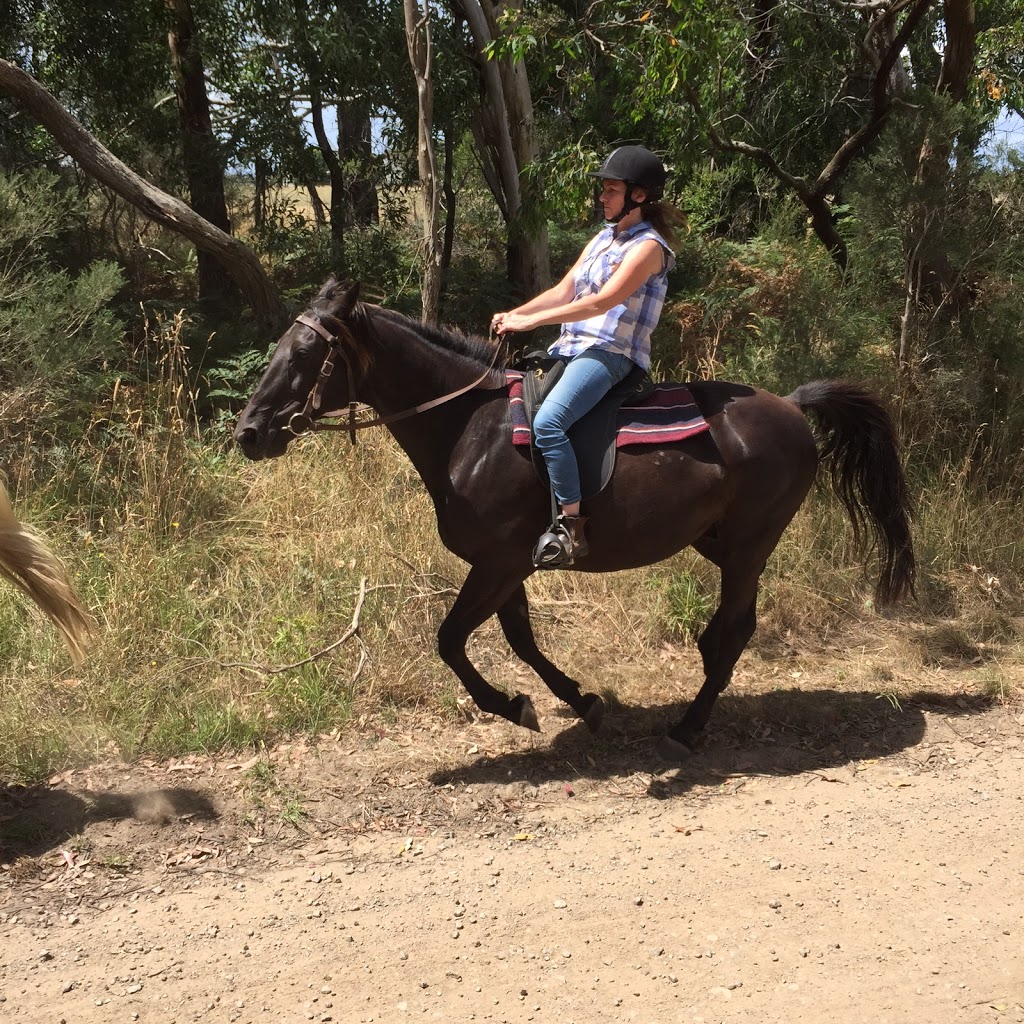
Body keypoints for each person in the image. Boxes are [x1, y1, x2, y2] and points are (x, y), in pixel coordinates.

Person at [492, 144, 681, 569]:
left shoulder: (648, 248)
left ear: (638, 195)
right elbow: (565, 291)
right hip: (571, 349)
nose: (602, 197)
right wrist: (517, 313)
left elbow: (601, 302)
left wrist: (529, 324)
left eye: (611, 190)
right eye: (605, 190)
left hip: (612, 354)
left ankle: (570, 529)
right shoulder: (603, 238)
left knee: (549, 421)